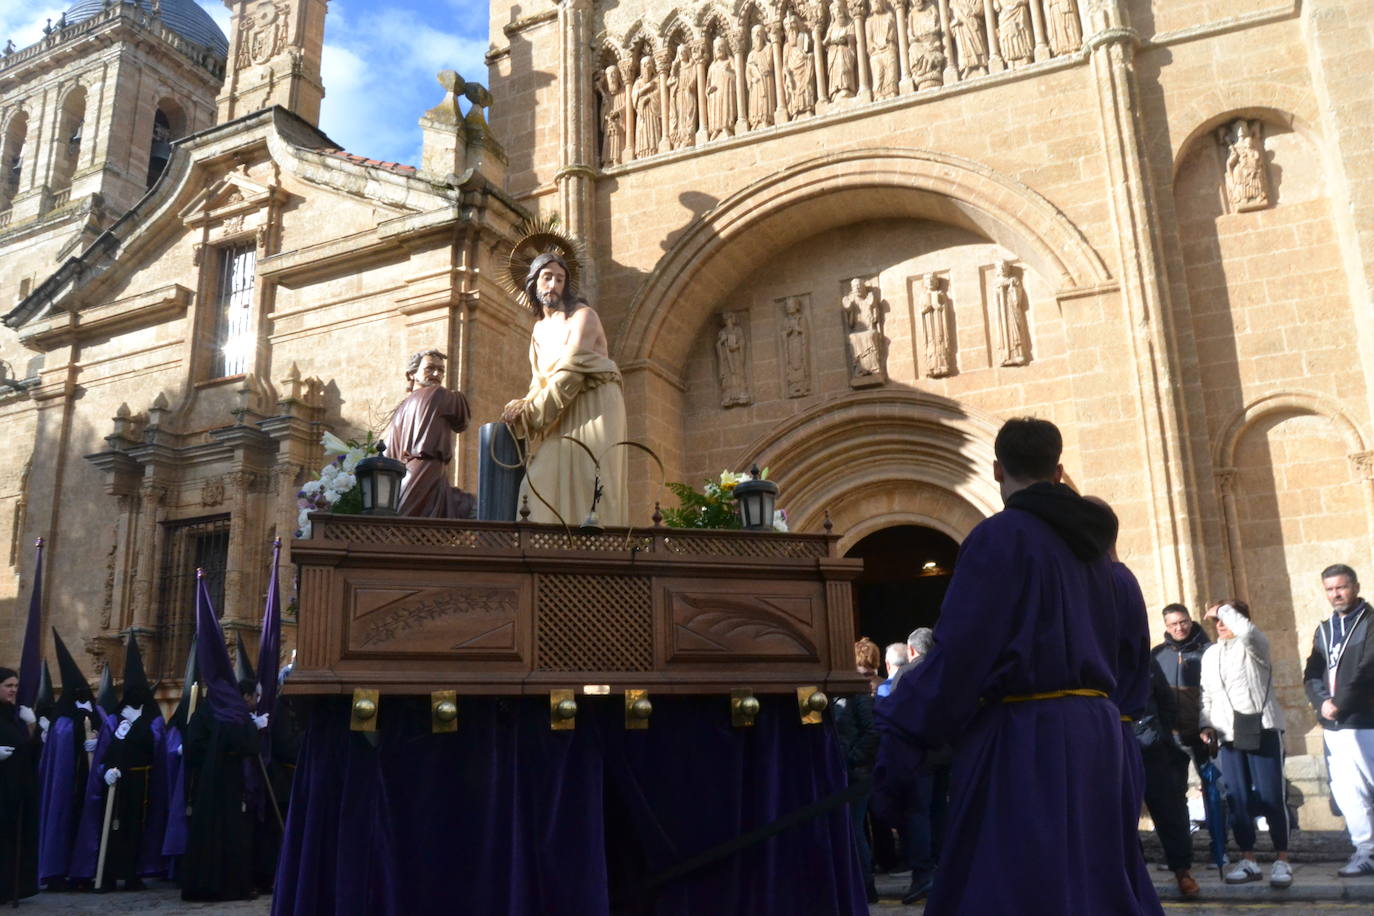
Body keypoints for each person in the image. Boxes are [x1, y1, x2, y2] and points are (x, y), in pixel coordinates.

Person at [875, 417, 1160, 915]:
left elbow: (962, 651)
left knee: (1015, 884)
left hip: (1027, 738)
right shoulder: (1097, 556)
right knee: (1094, 885)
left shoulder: (999, 537)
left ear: (997, 469)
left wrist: (904, 727)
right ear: (1058, 469)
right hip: (1098, 736)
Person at [501, 253, 627, 528]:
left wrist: (531, 415)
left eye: (560, 279)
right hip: (560, 412)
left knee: (589, 481)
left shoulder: (583, 317)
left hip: (594, 404)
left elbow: (570, 375)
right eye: (547, 278)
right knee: (535, 486)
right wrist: (523, 403)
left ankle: (597, 555)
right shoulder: (538, 330)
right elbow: (541, 381)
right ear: (533, 283)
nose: (553, 284)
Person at [1199, 600, 1291, 887]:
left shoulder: (1254, 647)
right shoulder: (1211, 654)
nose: (1221, 624)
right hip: (1228, 736)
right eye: (1217, 621)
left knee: (1272, 797)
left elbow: (1249, 634)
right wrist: (1205, 723)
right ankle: (1248, 860)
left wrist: (1223, 609)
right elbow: (1206, 694)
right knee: (1237, 800)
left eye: (1227, 618)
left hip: (1262, 729)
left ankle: (1282, 860)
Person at [1303, 564, 1374, 877]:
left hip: (1365, 719)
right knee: (1348, 792)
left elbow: (1368, 669)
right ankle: (1366, 850)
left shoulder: (1370, 622)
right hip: (1334, 725)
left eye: (1341, 587)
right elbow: (1311, 674)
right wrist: (1322, 703)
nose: (1336, 594)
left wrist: (1339, 704)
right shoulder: (1324, 629)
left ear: (1355, 587)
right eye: (1330, 589)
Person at [181, 678, 268, 901]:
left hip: (212, 782)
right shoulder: (231, 716)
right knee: (230, 835)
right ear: (244, 696)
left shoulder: (208, 712)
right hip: (228, 782)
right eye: (254, 696)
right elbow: (247, 746)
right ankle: (229, 885)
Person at [37, 630, 101, 889]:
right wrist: (78, 724)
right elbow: (61, 739)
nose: (82, 694)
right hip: (66, 784)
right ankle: (55, 873)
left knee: (84, 825)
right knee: (62, 822)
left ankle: (81, 872)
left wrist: (97, 737)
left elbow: (106, 733)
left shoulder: (94, 711)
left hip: (87, 781)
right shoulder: (61, 717)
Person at [383, 349, 473, 518]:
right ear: (411, 374)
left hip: (400, 482)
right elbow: (462, 420)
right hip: (424, 475)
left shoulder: (401, 409)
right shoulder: (439, 394)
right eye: (429, 368)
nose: (437, 374)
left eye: (441, 370)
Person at [1138, 657, 1198, 897]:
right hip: (1117, 746)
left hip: (1153, 748)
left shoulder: (1147, 663)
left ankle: (1182, 871)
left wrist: (1160, 734)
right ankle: (1135, 874)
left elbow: (1166, 703)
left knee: (1170, 812)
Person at [834, 639, 880, 903]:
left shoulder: (858, 695)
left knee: (854, 830)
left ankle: (864, 885)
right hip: (845, 771)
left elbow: (872, 732)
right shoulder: (839, 693)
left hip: (855, 773)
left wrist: (851, 758)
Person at [0, 666, 39, 905]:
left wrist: (32, 726)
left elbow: (28, 752)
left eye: (15, 686)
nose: (13, 690)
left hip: (13, 788)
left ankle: (7, 887)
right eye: (8, 686)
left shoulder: (12, 716)